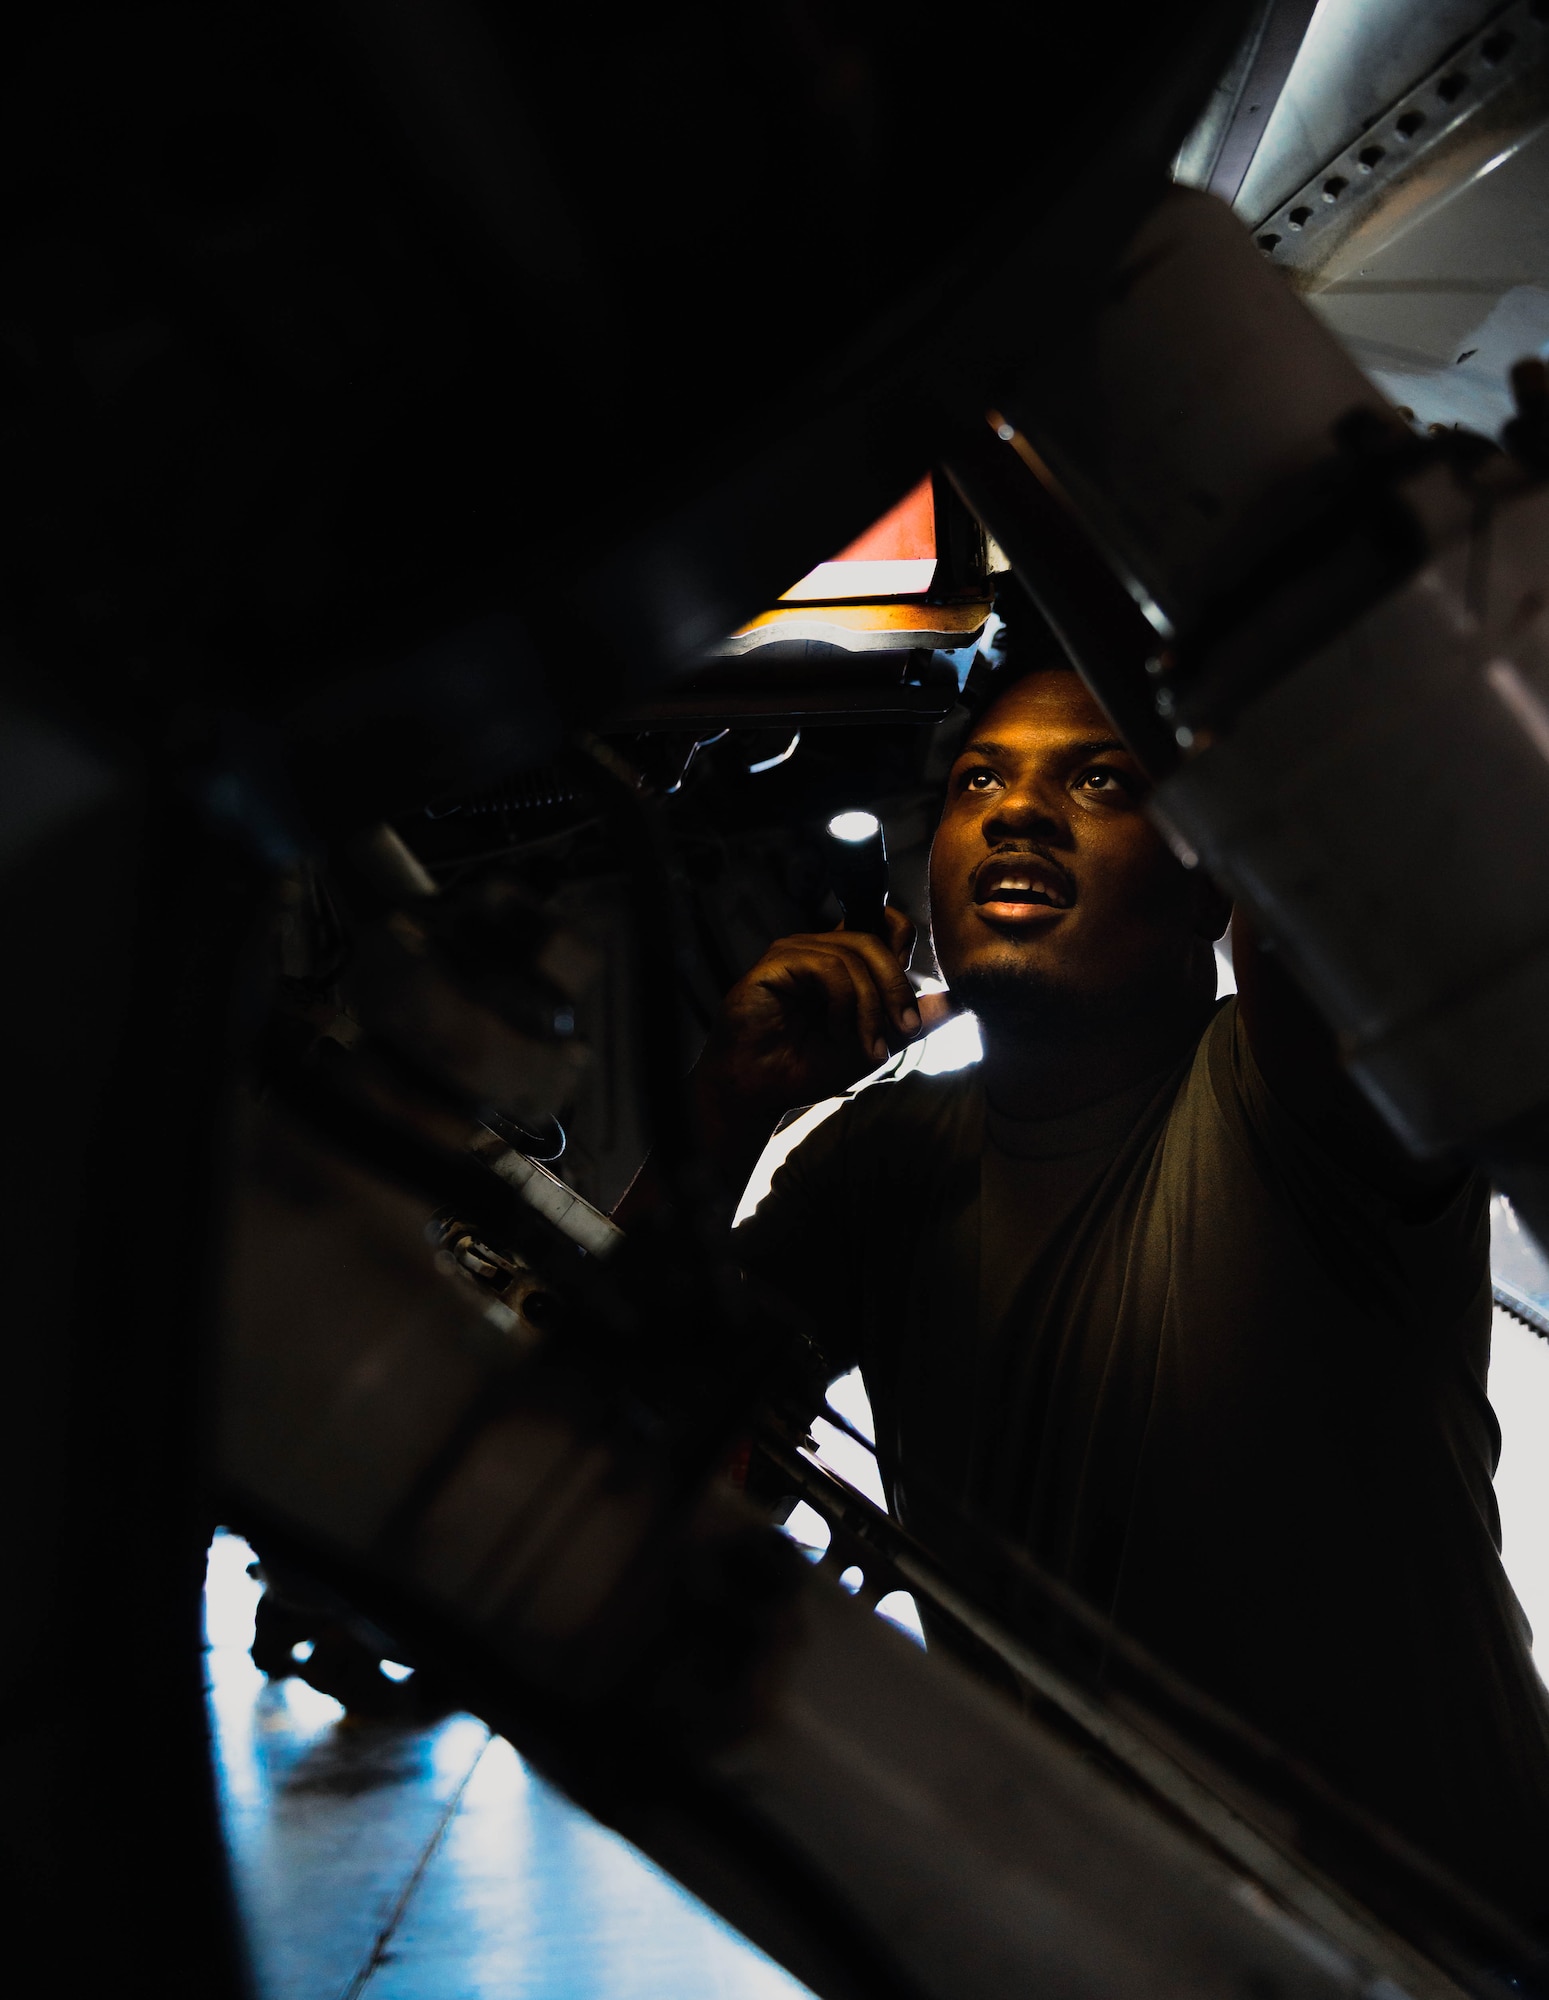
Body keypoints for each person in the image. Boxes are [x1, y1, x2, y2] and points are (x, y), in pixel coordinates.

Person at [621, 654, 1549, 1925]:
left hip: (1435, 1941)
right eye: (978, 780)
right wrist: (720, 1112)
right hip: (1095, 1937)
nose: (1014, 810)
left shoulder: (1295, 1103)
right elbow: (604, 1446)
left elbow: (1313, 819)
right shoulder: (879, 1164)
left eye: (1101, 778)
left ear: (1209, 875)